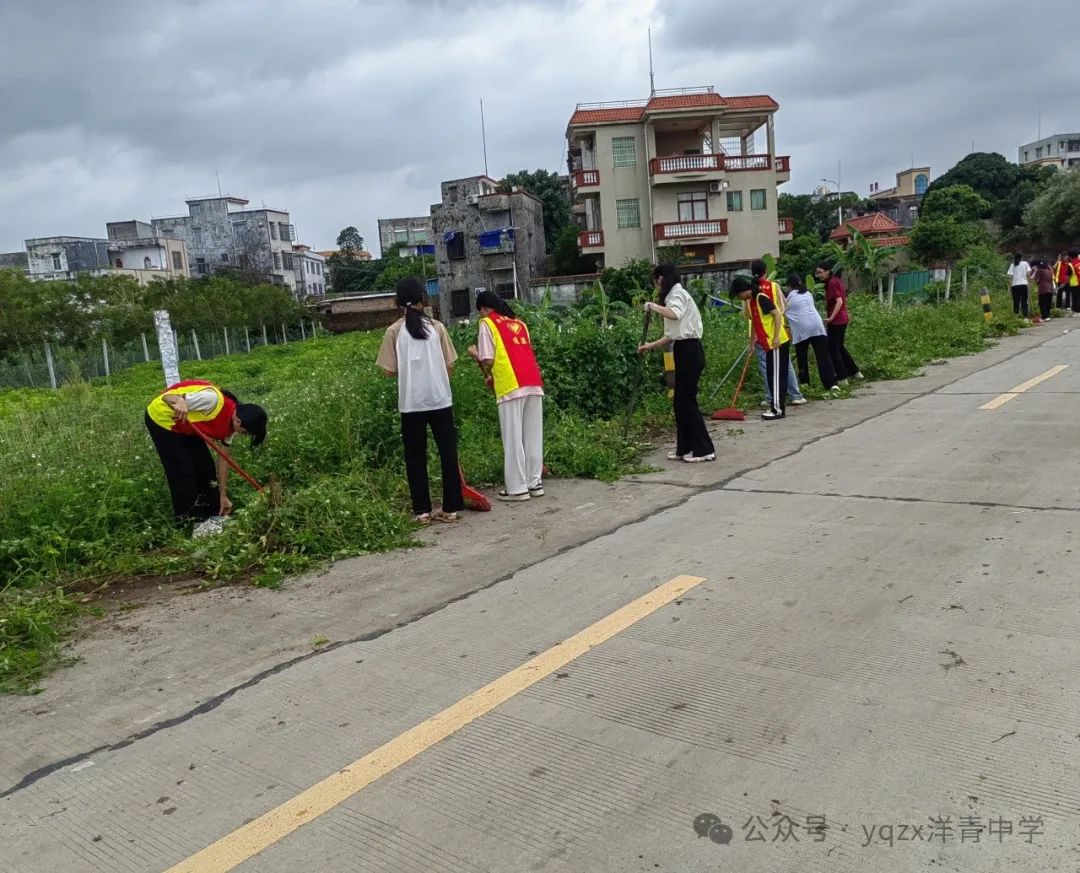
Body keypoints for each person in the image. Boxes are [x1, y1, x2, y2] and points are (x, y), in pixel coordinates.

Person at [377, 278, 464, 524]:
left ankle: (422, 511)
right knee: (448, 452)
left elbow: (388, 371)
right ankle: (450, 508)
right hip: (440, 399)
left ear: (397, 302)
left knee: (415, 456)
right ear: (422, 300)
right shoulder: (437, 328)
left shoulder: (393, 331)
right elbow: (449, 365)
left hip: (411, 403)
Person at [145, 379, 267, 525]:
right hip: (162, 420)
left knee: (206, 468)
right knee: (184, 470)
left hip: (185, 426)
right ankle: (189, 522)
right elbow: (166, 397)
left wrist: (222, 495)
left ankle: (215, 514)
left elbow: (223, 459)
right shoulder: (211, 400)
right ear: (239, 422)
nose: (244, 435)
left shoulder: (232, 424)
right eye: (246, 433)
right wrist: (179, 401)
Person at [468, 290, 546, 500]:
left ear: (484, 309)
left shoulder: (488, 324)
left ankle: (517, 488)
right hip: (533, 382)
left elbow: (488, 359)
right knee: (532, 436)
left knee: (512, 438)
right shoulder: (519, 323)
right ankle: (534, 482)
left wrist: (475, 354)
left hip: (511, 385)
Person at [638, 264, 716, 460]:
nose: (656, 287)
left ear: (661, 279)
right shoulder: (673, 295)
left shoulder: (677, 294)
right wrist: (650, 346)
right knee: (680, 402)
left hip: (690, 351)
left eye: (656, 282)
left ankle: (705, 450)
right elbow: (671, 335)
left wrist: (653, 306)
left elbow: (675, 313)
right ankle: (685, 448)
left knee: (687, 402)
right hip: (682, 349)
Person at [730, 266, 790, 421]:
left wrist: (776, 337)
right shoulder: (751, 302)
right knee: (771, 375)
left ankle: (777, 410)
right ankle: (775, 406)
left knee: (776, 377)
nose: (740, 298)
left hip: (777, 342)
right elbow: (755, 323)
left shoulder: (760, 298)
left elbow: (777, 315)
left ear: (743, 290)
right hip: (767, 344)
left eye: (738, 295)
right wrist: (751, 342)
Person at [748, 261, 805, 408]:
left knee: (766, 366)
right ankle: (795, 395)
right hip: (779, 332)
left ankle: (770, 397)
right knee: (785, 364)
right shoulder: (774, 286)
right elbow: (784, 307)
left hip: (761, 333)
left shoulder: (750, 290)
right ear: (766, 271)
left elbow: (749, 314)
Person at [785, 272, 840, 392]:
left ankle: (805, 383)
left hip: (802, 330)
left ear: (789, 286)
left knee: (802, 356)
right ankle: (831, 384)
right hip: (817, 326)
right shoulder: (808, 294)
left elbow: (780, 311)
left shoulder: (789, 297)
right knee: (823, 356)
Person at [815, 263, 863, 383]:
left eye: (821, 272)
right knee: (839, 347)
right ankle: (855, 372)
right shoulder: (836, 281)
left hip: (836, 321)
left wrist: (831, 317)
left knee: (833, 349)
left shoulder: (831, 283)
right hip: (842, 318)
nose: (819, 275)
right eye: (817, 273)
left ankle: (842, 377)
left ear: (828, 271)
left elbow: (839, 301)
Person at [1006, 252, 1032, 319]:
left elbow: (1011, 278)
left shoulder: (1013, 265)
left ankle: (1016, 316)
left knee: (1016, 301)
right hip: (1024, 285)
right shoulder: (1025, 263)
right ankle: (1025, 317)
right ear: (1021, 257)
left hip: (1015, 286)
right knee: (1024, 301)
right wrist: (1029, 285)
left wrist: (1009, 288)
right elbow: (1028, 275)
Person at [1070, 249, 1080, 316]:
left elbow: (1068, 275)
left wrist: (1064, 283)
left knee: (1075, 297)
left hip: (1075, 282)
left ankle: (1076, 311)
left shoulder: (1071, 264)